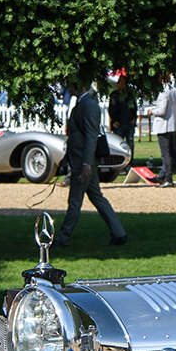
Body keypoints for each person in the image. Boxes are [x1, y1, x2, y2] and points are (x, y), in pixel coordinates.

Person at [55, 74, 127, 247]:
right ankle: (118, 233)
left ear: (80, 86)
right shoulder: (82, 103)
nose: (69, 87)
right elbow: (76, 136)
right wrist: (67, 158)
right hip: (79, 160)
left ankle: (63, 238)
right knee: (97, 197)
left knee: (74, 201)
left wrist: (86, 162)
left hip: (83, 163)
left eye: (72, 84)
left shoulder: (88, 105)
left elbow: (90, 136)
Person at [145, 72, 176, 186]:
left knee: (165, 154)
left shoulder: (163, 93)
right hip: (174, 125)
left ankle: (168, 179)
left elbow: (162, 111)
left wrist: (152, 112)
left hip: (164, 126)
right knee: (174, 153)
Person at [107, 72, 136, 157]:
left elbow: (134, 108)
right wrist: (114, 120)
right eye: (120, 82)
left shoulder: (130, 94)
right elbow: (111, 109)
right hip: (118, 124)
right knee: (118, 143)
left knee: (130, 143)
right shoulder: (114, 95)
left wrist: (133, 119)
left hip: (129, 123)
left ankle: (130, 162)